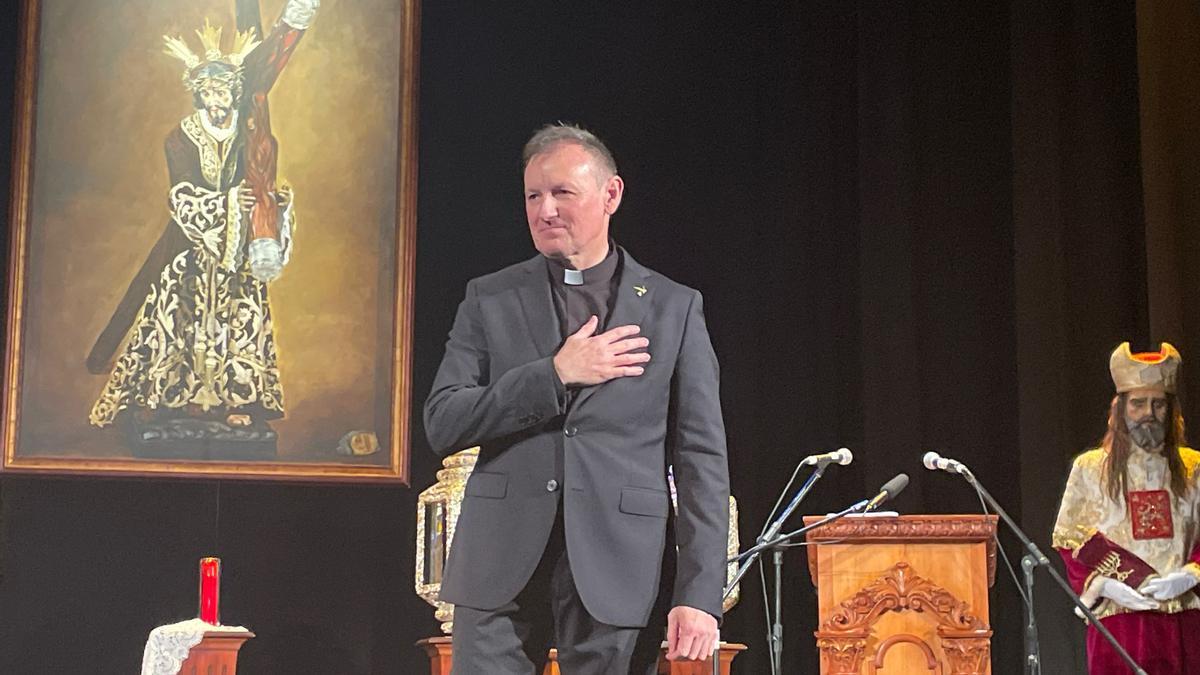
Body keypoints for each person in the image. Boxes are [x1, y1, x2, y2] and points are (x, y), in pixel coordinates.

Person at [425, 123, 730, 674]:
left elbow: (701, 462)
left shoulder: (673, 308)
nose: (545, 211)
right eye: (533, 196)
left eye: (562, 193)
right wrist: (554, 374)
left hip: (621, 566)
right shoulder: (489, 297)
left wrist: (700, 592)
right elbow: (443, 420)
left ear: (611, 194)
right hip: (499, 567)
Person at [88, 0, 320, 457]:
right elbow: (182, 196)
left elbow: (261, 175)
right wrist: (230, 202)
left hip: (235, 254)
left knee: (238, 319)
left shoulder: (251, 131)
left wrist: (273, 203)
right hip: (191, 246)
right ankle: (170, 399)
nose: (218, 101)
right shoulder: (180, 137)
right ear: (198, 94)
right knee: (177, 316)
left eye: (224, 92)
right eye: (209, 93)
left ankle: (237, 400)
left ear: (235, 92)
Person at [1052, 342, 1200, 673]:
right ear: (1120, 408)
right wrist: (1105, 585)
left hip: (1186, 619)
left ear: (1171, 410)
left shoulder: (1194, 468)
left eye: (1157, 404)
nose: (1148, 413)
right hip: (1118, 623)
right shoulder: (1090, 469)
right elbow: (1068, 539)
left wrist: (1192, 575)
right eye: (1137, 404)